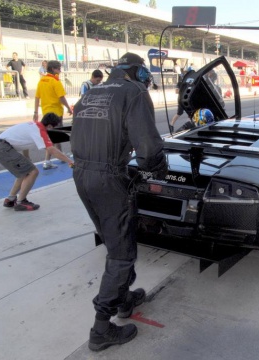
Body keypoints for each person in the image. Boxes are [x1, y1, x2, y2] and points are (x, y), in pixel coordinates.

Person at [71, 52, 167, 352]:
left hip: (81, 175)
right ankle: (101, 329)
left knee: (114, 242)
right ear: (138, 73)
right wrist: (158, 170)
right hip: (109, 179)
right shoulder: (134, 93)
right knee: (122, 254)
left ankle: (124, 298)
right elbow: (148, 148)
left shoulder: (89, 93)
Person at [0, 113, 74, 211]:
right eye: (54, 127)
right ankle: (21, 202)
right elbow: (51, 150)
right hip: (3, 149)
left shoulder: (33, 125)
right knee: (33, 172)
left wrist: (26, 157)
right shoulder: (40, 130)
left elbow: (24, 141)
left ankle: (10, 199)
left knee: (24, 173)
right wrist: (70, 161)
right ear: (50, 126)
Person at [33, 60, 73, 170]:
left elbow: (37, 97)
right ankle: (47, 160)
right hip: (56, 112)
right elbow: (61, 97)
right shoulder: (55, 81)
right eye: (59, 69)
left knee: (55, 135)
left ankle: (60, 155)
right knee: (53, 137)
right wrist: (69, 108)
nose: (60, 71)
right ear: (54, 69)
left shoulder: (42, 81)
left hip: (46, 112)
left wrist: (36, 112)